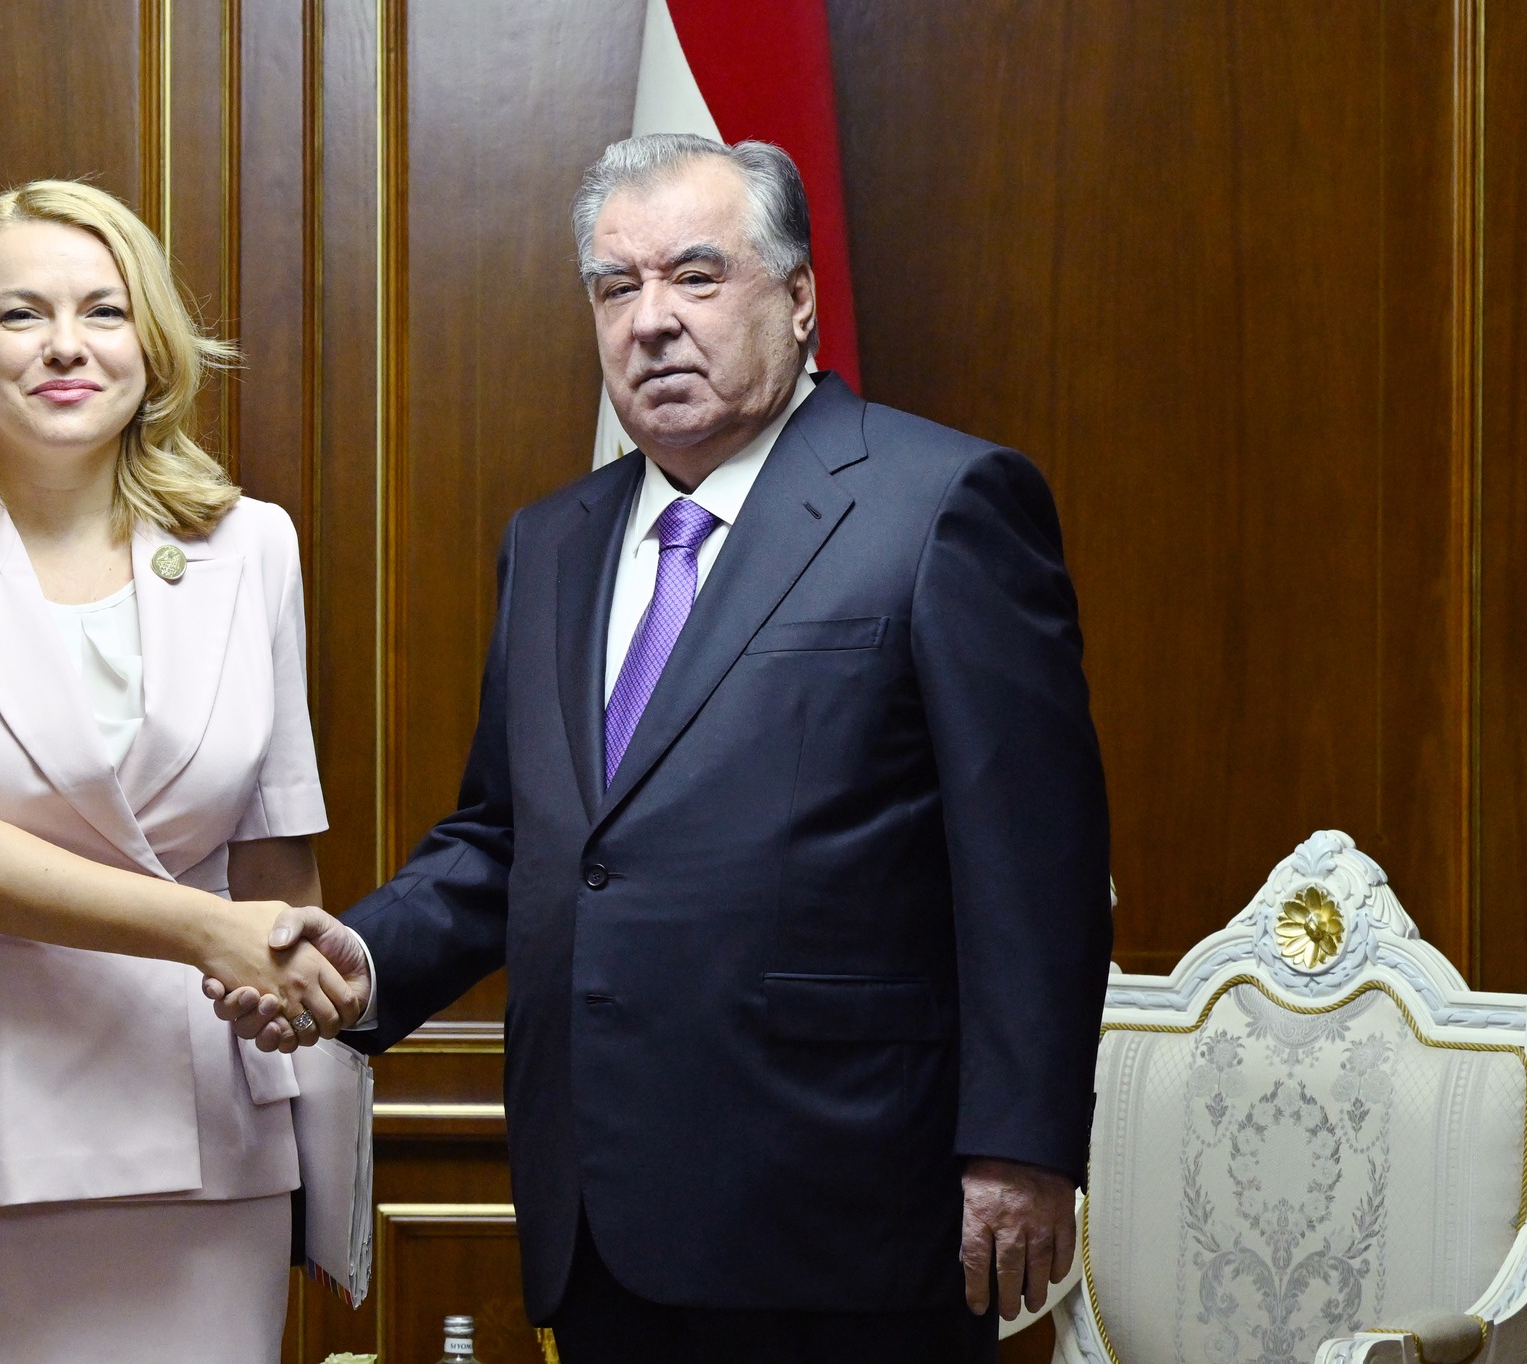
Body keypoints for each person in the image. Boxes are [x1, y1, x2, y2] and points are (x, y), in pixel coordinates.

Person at [213, 134, 1113, 1361]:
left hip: (843, 1209)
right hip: (599, 1214)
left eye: (695, 276)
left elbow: (1033, 865)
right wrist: (361, 959)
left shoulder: (941, 502)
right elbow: (511, 837)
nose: (650, 322)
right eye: (614, 286)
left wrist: (1020, 1145)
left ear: (798, 298)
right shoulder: (552, 541)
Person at [0, 179, 360, 1364]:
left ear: (150, 346)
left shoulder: (252, 544)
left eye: (104, 311)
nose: (65, 345)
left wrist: (297, 978)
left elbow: (273, 856)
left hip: (200, 1125)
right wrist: (210, 931)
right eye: (21, 313)